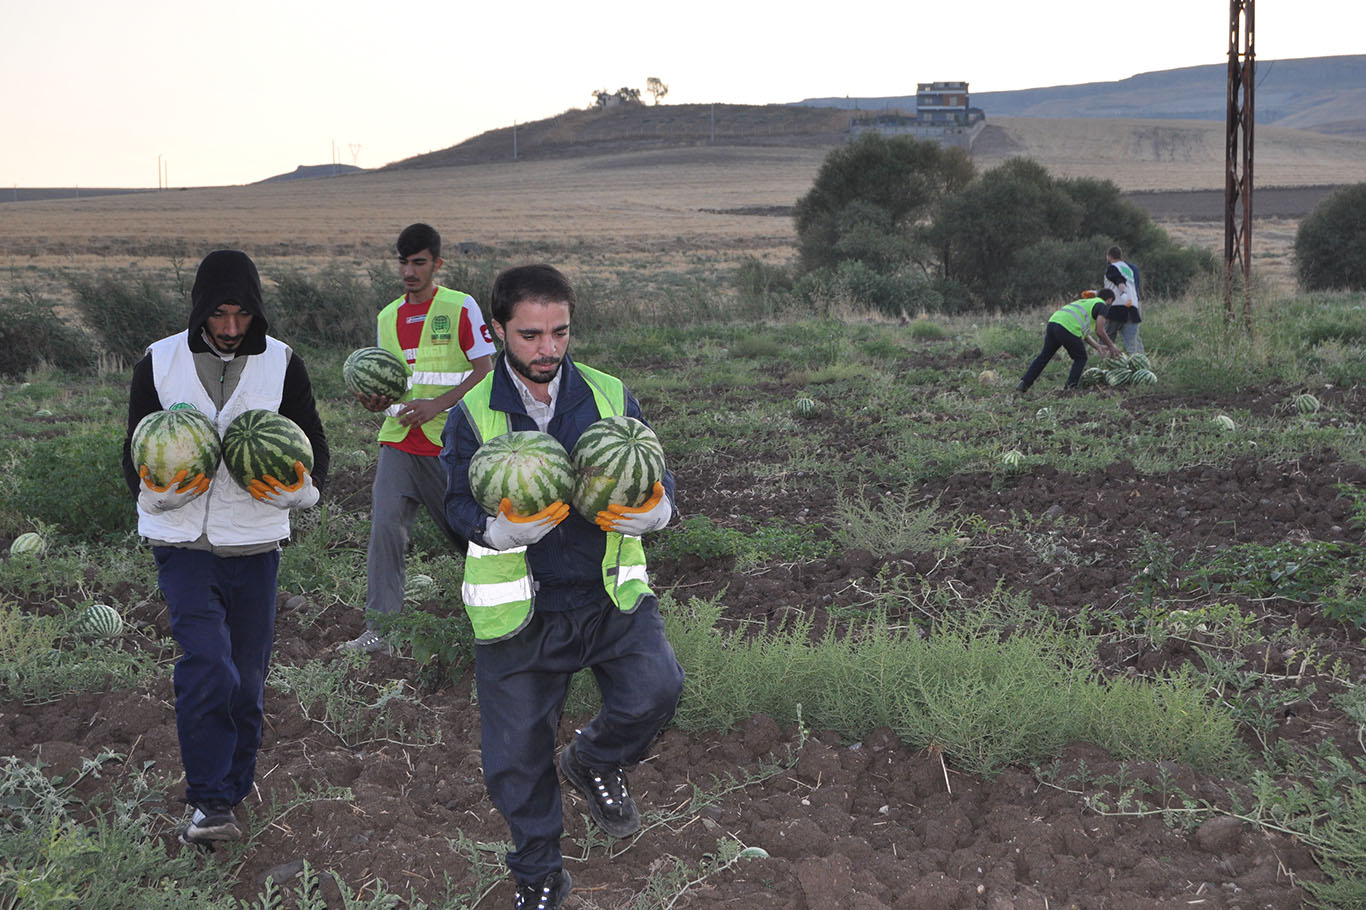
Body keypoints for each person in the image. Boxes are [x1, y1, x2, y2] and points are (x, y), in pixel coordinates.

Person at [440, 264, 684, 910]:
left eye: (560, 332)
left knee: (657, 691)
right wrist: (496, 530)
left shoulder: (608, 394)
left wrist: (659, 509)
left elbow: (651, 469)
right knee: (516, 761)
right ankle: (539, 874)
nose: (548, 349)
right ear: (497, 332)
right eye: (530, 335)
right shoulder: (470, 413)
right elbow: (453, 504)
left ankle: (595, 760)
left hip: (607, 595)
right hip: (522, 608)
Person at [121, 249, 330, 846]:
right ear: (200, 310)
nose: (231, 328)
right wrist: (149, 493)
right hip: (181, 541)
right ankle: (208, 801)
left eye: (241, 314)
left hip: (256, 541)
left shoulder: (284, 363)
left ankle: (230, 794)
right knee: (207, 663)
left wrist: (302, 492)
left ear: (255, 310)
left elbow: (313, 444)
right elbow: (133, 450)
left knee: (247, 680)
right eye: (220, 314)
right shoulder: (158, 362)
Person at [340, 223, 495, 654]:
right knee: (385, 529)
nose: (410, 271)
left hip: (449, 443)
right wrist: (376, 403)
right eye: (404, 262)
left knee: (471, 535)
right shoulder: (387, 317)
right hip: (399, 441)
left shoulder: (461, 307)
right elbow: (392, 383)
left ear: (437, 264)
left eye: (419, 262)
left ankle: (523, 594)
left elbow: (485, 372)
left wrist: (437, 404)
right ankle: (380, 631)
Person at [1016, 289, 1120, 392]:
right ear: (1110, 300)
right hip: (1067, 328)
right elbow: (1100, 331)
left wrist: (1097, 346)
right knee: (1081, 358)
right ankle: (1070, 388)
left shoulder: (1086, 302)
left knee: (1044, 356)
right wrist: (1111, 346)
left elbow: (1084, 335)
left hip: (1053, 322)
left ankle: (1024, 383)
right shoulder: (1103, 306)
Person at [1104, 246, 1144, 354]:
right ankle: (1142, 368)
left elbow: (1119, 281)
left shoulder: (1112, 267)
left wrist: (1123, 294)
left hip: (1115, 308)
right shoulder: (1130, 269)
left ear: (1109, 256)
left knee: (1106, 341)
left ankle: (1106, 366)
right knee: (1134, 346)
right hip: (1132, 309)